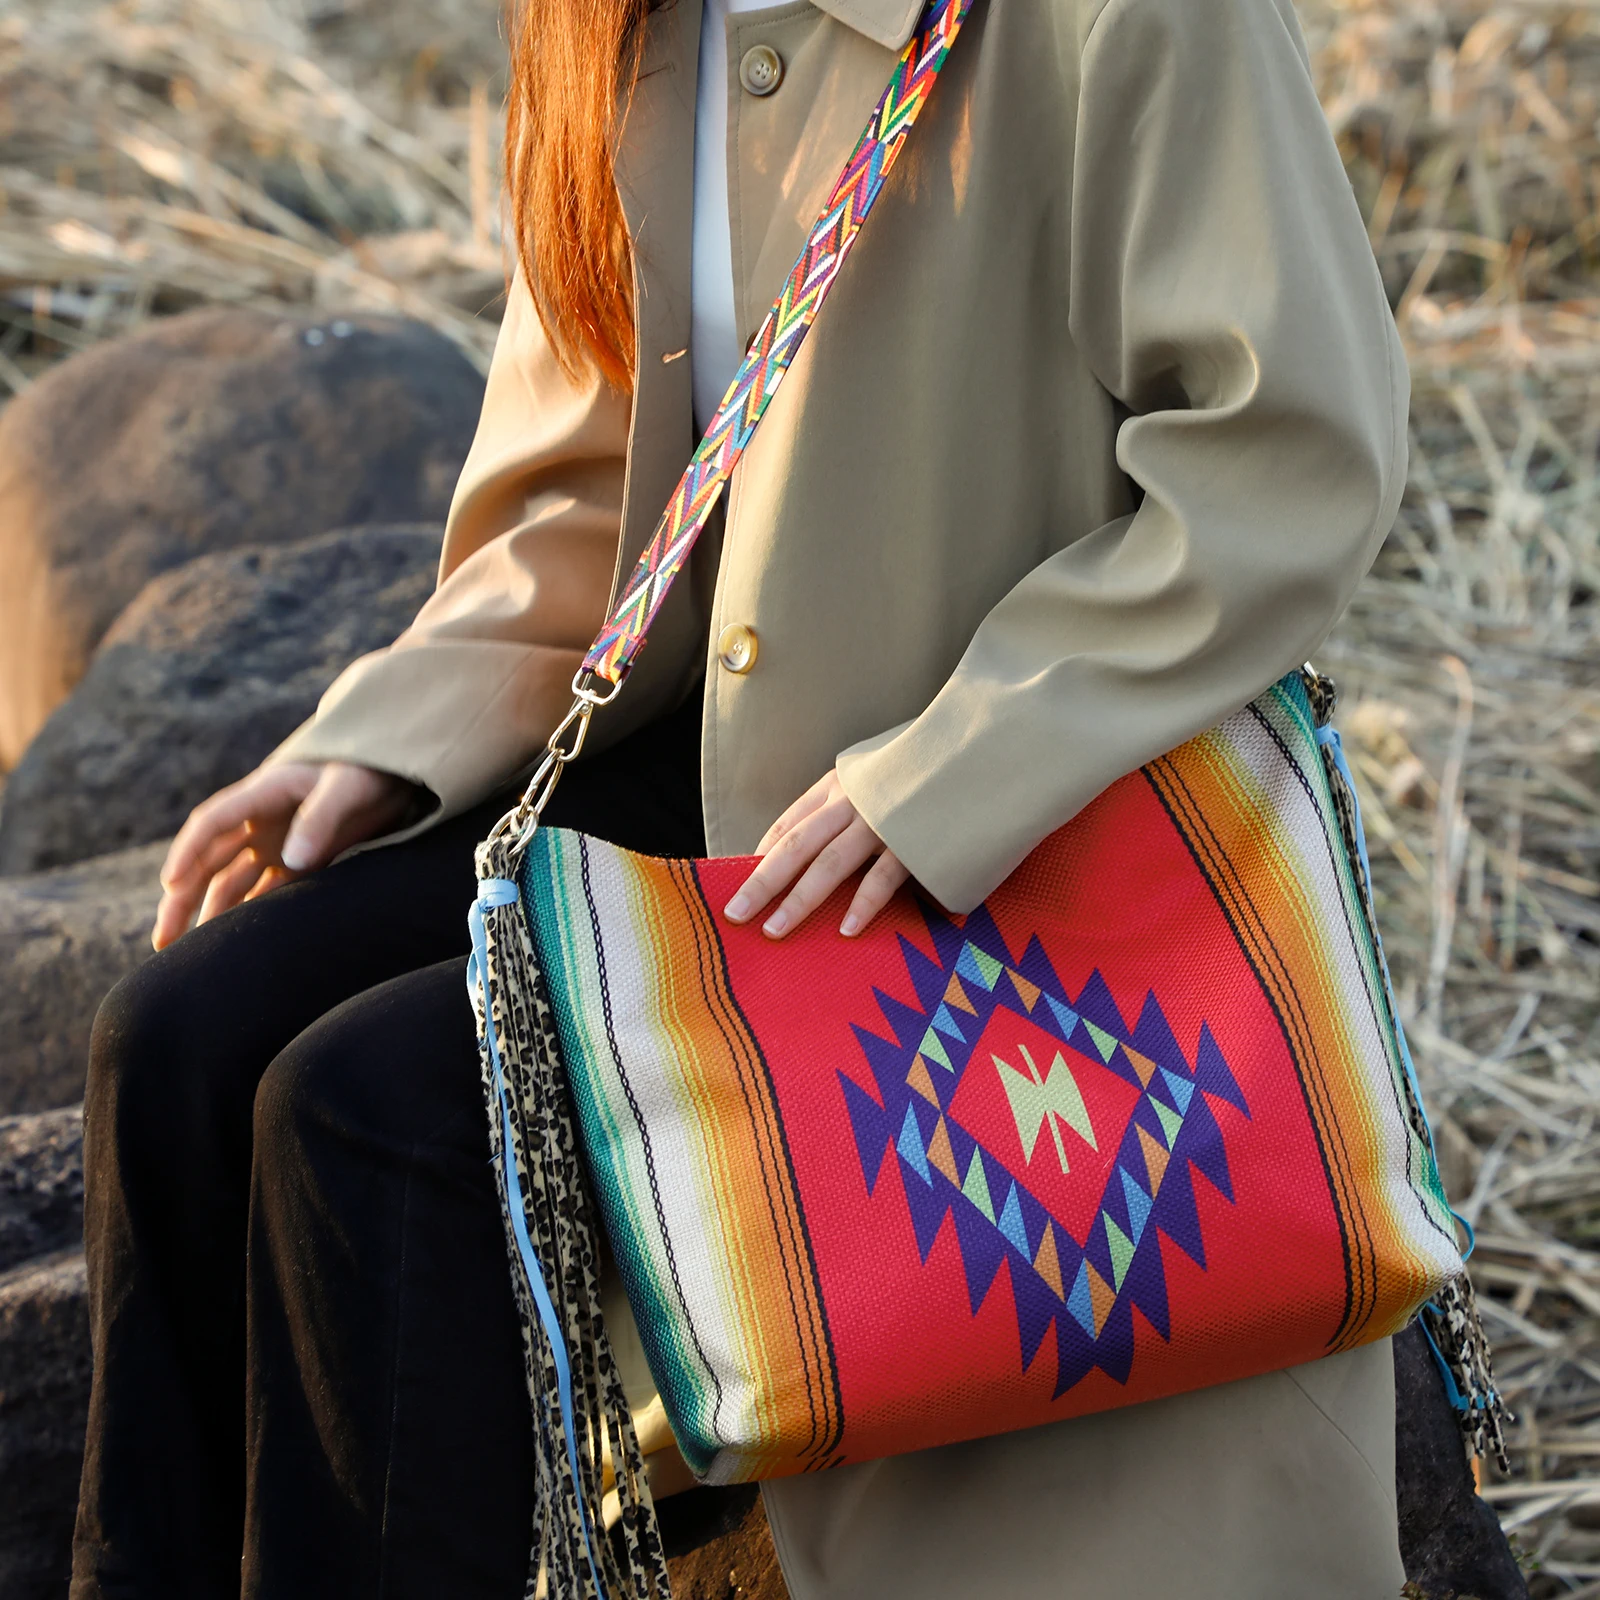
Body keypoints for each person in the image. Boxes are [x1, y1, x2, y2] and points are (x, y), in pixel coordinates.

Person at [70, 0, 1413, 1591]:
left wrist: (961, 767)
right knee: (175, 1042)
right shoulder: (615, 27)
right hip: (730, 777)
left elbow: (1291, 453)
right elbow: (594, 480)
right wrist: (388, 734)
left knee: (374, 1112)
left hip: (1012, 820)